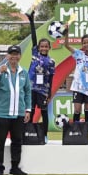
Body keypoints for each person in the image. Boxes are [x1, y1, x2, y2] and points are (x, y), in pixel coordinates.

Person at [0, 45, 32, 175]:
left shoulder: (23, 72)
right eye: (11, 54)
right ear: (7, 56)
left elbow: (28, 92)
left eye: (16, 54)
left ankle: (15, 167)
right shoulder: (0, 70)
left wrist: (28, 110)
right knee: (0, 141)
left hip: (19, 113)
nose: (14, 56)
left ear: (19, 56)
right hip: (2, 113)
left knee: (17, 141)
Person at [64, 32, 88, 132]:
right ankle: (75, 131)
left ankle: (86, 133)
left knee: (87, 110)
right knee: (77, 110)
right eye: (84, 43)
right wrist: (66, 32)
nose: (86, 45)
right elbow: (66, 45)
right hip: (78, 88)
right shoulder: (78, 54)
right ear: (82, 44)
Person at [26, 11, 55, 140]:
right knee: (30, 111)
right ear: (38, 47)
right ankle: (29, 132)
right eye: (41, 46)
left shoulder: (51, 62)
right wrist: (32, 22)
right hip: (31, 89)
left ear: (49, 48)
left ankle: (44, 135)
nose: (43, 48)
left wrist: (50, 94)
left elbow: (51, 78)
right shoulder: (35, 54)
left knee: (44, 112)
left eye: (46, 46)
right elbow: (33, 37)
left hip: (43, 91)